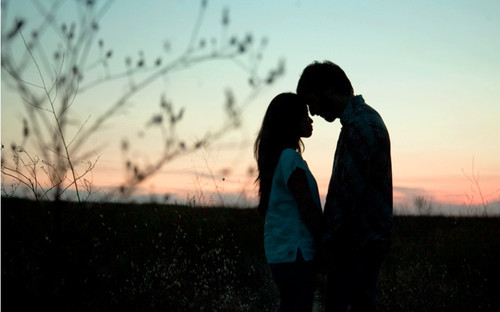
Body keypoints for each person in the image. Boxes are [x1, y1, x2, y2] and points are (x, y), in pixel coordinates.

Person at [297, 61, 393, 312]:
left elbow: (349, 201)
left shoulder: (360, 127)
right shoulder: (360, 122)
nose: (313, 112)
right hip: (358, 247)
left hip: (356, 249)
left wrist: (327, 246)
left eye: (312, 102)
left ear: (328, 89)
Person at [254, 92, 324, 312]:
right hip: (296, 253)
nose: (310, 119)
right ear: (290, 121)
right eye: (304, 116)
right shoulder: (289, 159)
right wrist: (326, 240)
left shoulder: (280, 159)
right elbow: (307, 207)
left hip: (284, 253)